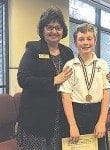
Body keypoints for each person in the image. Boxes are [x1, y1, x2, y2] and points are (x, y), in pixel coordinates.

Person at [16, 6, 74, 150]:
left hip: (60, 115)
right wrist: (54, 80)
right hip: (36, 116)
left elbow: (75, 78)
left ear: (63, 31)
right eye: (49, 27)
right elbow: (23, 79)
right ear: (43, 29)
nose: (54, 31)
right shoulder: (33, 49)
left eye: (58, 27)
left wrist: (102, 78)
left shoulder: (67, 52)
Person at [59, 23, 110, 150]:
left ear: (95, 41)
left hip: (96, 112)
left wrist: (102, 122)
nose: (85, 42)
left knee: (98, 146)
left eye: (89, 38)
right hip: (76, 113)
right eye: (81, 39)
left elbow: (106, 94)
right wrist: (72, 125)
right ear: (75, 43)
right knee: (76, 147)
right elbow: (66, 97)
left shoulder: (103, 65)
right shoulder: (69, 65)